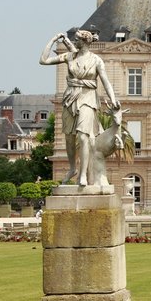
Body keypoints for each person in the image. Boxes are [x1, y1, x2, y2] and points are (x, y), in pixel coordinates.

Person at [39, 29, 120, 186]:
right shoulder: (70, 57)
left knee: (83, 136)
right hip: (70, 98)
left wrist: (114, 99)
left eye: (76, 39)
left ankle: (83, 175)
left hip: (88, 98)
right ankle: (72, 169)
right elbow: (43, 60)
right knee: (69, 138)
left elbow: (105, 81)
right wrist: (54, 39)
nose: (74, 41)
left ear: (84, 42)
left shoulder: (96, 60)